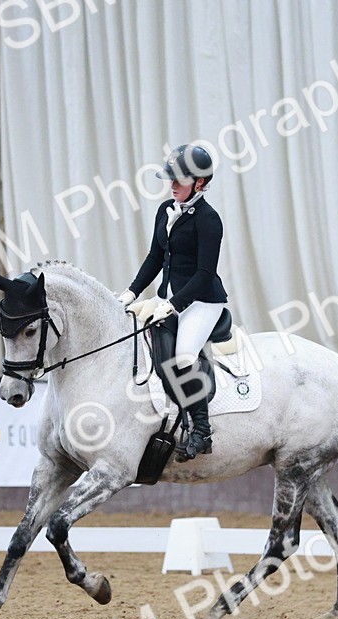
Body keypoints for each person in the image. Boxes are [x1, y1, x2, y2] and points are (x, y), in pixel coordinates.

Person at [116, 144, 227, 461]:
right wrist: (132, 292)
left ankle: (202, 431)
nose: (173, 185)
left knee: (182, 357)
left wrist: (174, 304)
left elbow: (205, 274)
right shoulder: (165, 209)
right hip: (168, 298)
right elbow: (154, 257)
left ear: (200, 183)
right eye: (171, 179)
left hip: (202, 302)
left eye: (180, 180)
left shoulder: (209, 220)